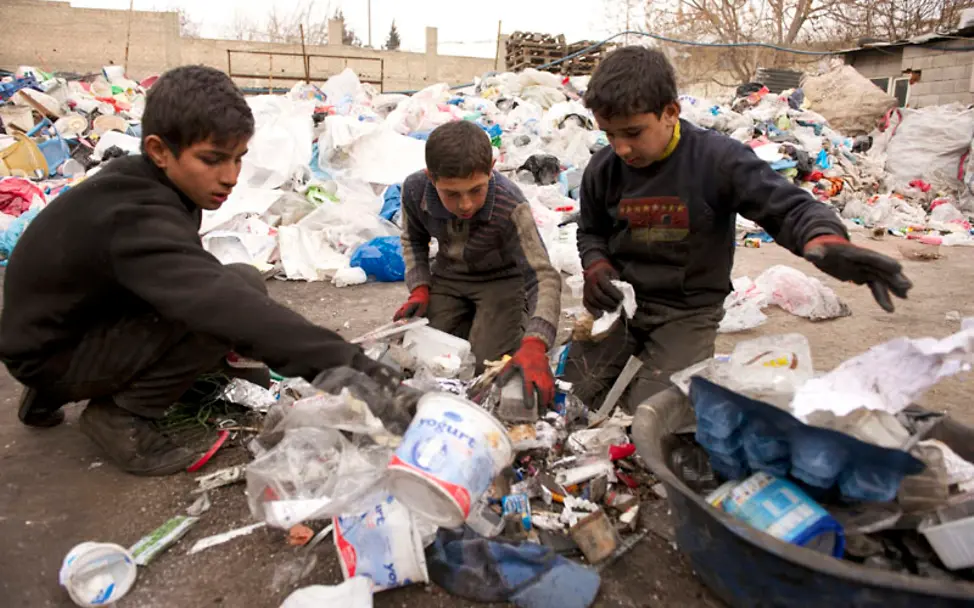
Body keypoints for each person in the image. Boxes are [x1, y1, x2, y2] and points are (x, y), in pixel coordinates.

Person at [0, 66, 402, 476]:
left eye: (238, 158)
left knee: (236, 283)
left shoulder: (141, 184)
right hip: (52, 353)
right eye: (212, 160)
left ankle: (51, 391)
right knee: (226, 304)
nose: (230, 177)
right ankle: (120, 416)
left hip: (51, 332)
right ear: (159, 150)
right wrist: (363, 376)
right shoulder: (136, 214)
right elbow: (222, 306)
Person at [564, 46, 913, 412]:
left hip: (687, 313)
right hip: (619, 308)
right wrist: (596, 266)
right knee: (573, 396)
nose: (621, 148)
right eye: (609, 134)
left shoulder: (717, 160)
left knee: (651, 415)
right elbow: (590, 231)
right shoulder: (603, 169)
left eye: (633, 133)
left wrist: (823, 237)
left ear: (670, 112)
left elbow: (786, 207)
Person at [395, 120, 562, 406]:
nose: (466, 205)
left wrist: (536, 341)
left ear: (492, 168)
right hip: (448, 279)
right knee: (424, 360)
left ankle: (516, 318)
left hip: (502, 282)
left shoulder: (510, 204)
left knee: (486, 370)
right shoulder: (414, 190)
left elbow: (543, 276)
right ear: (430, 177)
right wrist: (420, 287)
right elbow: (413, 240)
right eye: (452, 194)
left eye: (476, 190)